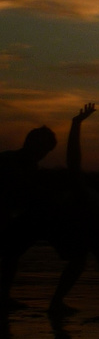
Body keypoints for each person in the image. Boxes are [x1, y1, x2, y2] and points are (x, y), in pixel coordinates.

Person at [46, 104, 99, 322]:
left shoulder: (83, 191)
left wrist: (76, 124)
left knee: (88, 264)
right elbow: (73, 161)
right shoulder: (79, 193)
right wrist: (76, 124)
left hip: (97, 228)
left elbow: (73, 161)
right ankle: (57, 304)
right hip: (92, 228)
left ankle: (57, 303)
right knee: (89, 264)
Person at [2, 123, 57, 309]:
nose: (43, 155)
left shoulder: (26, 164)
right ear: (31, 144)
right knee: (10, 253)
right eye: (42, 149)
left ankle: (4, 295)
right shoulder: (12, 162)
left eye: (46, 151)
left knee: (11, 254)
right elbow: (24, 191)